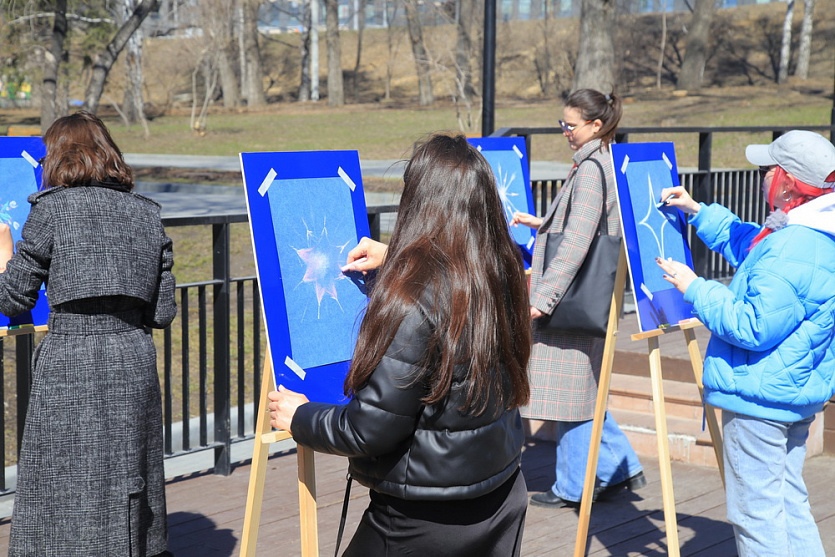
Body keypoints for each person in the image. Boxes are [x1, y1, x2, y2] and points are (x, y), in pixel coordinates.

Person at [268, 132, 532, 555]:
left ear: (419, 203)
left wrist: (301, 417)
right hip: (500, 493)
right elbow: (451, 283)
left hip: (424, 519)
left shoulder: (411, 304)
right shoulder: (500, 274)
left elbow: (369, 430)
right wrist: (397, 258)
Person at [0, 111, 177, 557]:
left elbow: (12, 298)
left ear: (57, 157)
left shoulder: (51, 209)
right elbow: (163, 311)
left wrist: (4, 250)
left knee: (63, 479)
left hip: (70, 358)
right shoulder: (147, 214)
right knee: (126, 474)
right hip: (132, 355)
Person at [655, 130, 835, 556]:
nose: (763, 174)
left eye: (769, 168)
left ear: (788, 181)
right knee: (788, 504)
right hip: (789, 395)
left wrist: (695, 286)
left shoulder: (794, 244)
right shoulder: (812, 230)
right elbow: (753, 249)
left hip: (760, 401)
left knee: (757, 517)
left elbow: (751, 326)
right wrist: (697, 211)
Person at [510, 88, 645, 508]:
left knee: (571, 395)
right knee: (584, 386)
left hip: (569, 301)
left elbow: (578, 243)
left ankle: (574, 487)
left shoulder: (589, 170)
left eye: (570, 125)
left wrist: (543, 298)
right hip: (584, 298)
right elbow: (582, 225)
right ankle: (618, 465)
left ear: (596, 125)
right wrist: (544, 222)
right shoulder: (602, 161)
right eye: (561, 124)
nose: (565, 132)